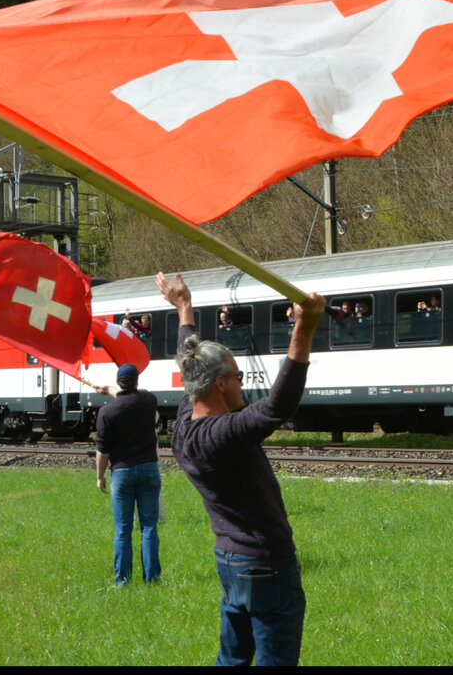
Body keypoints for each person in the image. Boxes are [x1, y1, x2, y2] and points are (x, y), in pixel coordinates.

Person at [157, 271, 325, 666]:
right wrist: (304, 326)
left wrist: (184, 308)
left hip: (231, 561)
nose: (241, 384)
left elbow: (189, 359)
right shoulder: (221, 434)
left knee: (232, 660)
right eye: (237, 376)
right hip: (264, 565)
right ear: (219, 384)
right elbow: (277, 407)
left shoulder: (186, 420)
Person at [94, 363, 162, 586]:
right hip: (149, 470)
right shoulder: (149, 400)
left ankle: (122, 581)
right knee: (149, 526)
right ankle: (152, 579)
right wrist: (110, 389)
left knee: (123, 529)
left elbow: (103, 451)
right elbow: (128, 397)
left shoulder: (106, 413)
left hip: (121, 472)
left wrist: (100, 476)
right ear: (137, 381)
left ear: (118, 382)